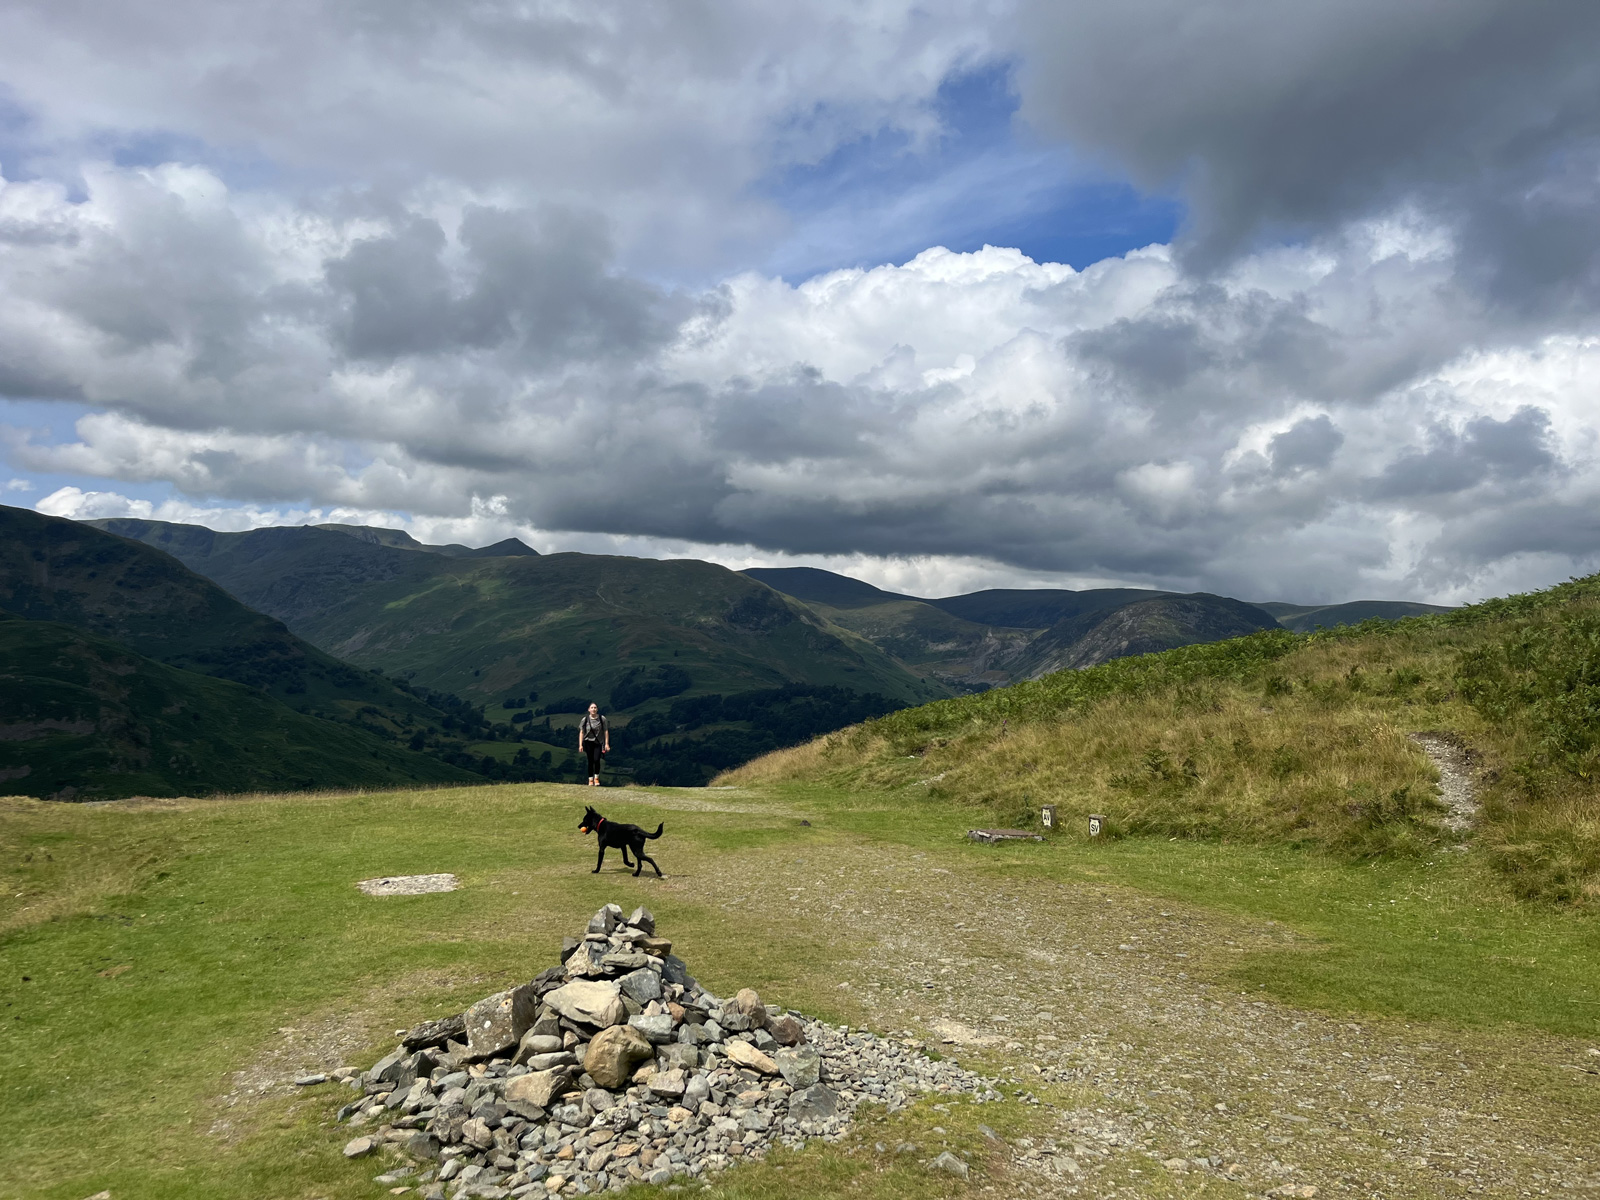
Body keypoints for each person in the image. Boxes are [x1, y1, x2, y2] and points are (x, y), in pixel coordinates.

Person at [578, 702, 610, 787]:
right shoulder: (585, 719)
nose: (593, 709)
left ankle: (596, 777)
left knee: (596, 760)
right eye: (592, 708)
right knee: (590, 761)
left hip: (598, 742)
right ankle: (590, 779)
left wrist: (606, 744)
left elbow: (606, 731)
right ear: (589, 709)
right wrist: (580, 745)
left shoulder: (602, 718)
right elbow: (581, 732)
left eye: (595, 707)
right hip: (588, 742)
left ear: (597, 709)